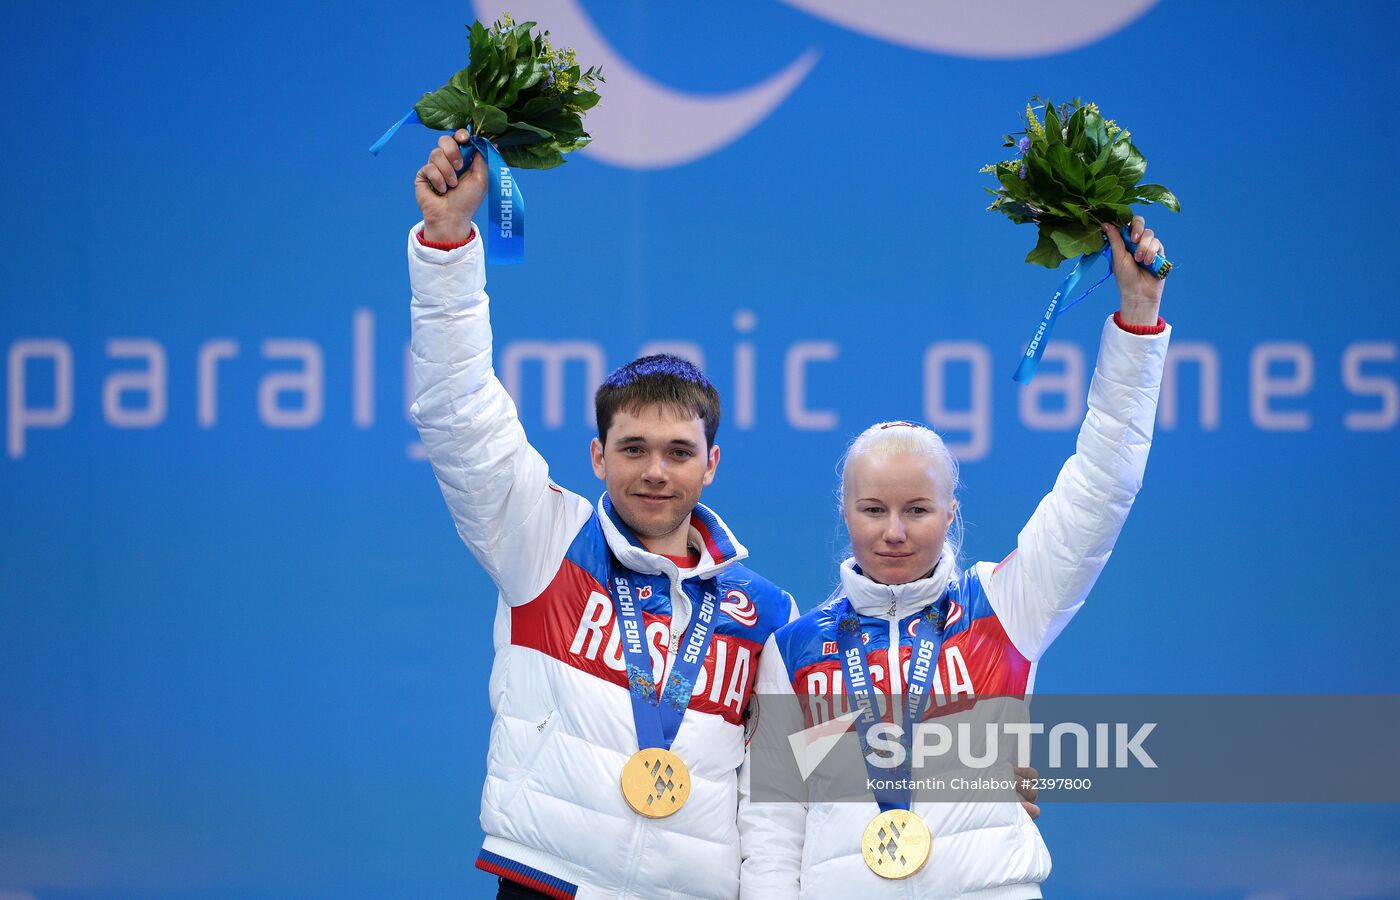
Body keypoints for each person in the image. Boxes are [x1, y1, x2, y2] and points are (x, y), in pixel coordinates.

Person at [407, 132, 799, 899]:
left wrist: (983, 777)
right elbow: (458, 411)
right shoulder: (543, 541)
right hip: (546, 882)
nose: (656, 470)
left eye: (680, 452)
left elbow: (807, 775)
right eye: (635, 448)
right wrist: (449, 244)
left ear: (712, 465)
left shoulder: (766, 614)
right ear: (597, 457)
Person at [738, 220, 1171, 899]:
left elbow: (1102, 483)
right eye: (873, 510)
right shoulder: (792, 650)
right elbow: (772, 827)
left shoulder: (1006, 605)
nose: (894, 533)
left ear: (951, 515)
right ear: (844, 513)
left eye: (917, 510)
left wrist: (1138, 319)